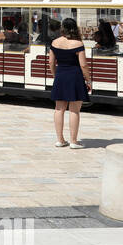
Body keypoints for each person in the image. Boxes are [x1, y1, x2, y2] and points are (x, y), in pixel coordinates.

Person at [48, 17, 91, 149]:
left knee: (59, 109)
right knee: (74, 110)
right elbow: (83, 65)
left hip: (60, 75)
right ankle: (73, 141)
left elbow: (51, 62)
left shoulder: (55, 42)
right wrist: (88, 79)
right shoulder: (78, 44)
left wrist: (55, 75)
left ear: (63, 28)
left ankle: (60, 140)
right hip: (75, 77)